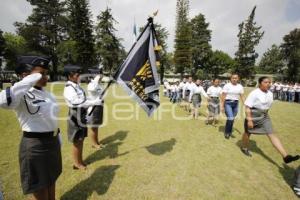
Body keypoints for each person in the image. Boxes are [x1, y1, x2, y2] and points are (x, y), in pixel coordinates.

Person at [0, 56, 62, 200]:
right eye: (41, 73)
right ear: (25, 75)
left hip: (51, 141)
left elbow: (51, 118)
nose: (45, 77)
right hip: (35, 145)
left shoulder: (47, 94)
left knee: (51, 178)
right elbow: (3, 101)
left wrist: (57, 136)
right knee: (40, 185)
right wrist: (27, 80)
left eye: (46, 73)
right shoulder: (21, 94)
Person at [240, 76, 299, 164]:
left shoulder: (270, 93)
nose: (268, 84)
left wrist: (265, 114)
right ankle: (244, 147)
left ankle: (286, 156)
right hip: (253, 115)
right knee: (247, 133)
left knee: (271, 133)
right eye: (266, 82)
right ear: (260, 83)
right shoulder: (254, 93)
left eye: (269, 82)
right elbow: (247, 107)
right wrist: (249, 120)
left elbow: (267, 106)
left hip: (264, 116)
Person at [63, 65, 102, 170]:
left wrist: (93, 100)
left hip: (81, 113)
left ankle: (80, 161)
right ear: (69, 76)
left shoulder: (77, 86)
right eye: (77, 74)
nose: (79, 76)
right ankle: (77, 163)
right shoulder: (69, 88)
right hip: (75, 114)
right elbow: (77, 102)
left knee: (81, 139)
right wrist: (94, 102)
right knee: (77, 140)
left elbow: (84, 98)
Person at [221, 74, 245, 139]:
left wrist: (245, 105)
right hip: (228, 103)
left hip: (236, 104)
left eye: (236, 78)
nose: (234, 79)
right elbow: (223, 96)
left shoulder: (240, 86)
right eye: (233, 78)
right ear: (230, 79)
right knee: (231, 118)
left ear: (238, 79)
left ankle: (229, 130)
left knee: (231, 119)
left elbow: (242, 96)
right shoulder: (227, 85)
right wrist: (222, 106)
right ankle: (227, 132)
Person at [87, 68, 105, 149]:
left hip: (99, 107)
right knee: (93, 127)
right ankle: (94, 143)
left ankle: (96, 141)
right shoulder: (91, 84)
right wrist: (96, 80)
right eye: (99, 74)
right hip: (93, 108)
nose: (101, 76)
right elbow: (92, 89)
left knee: (96, 126)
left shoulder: (98, 84)